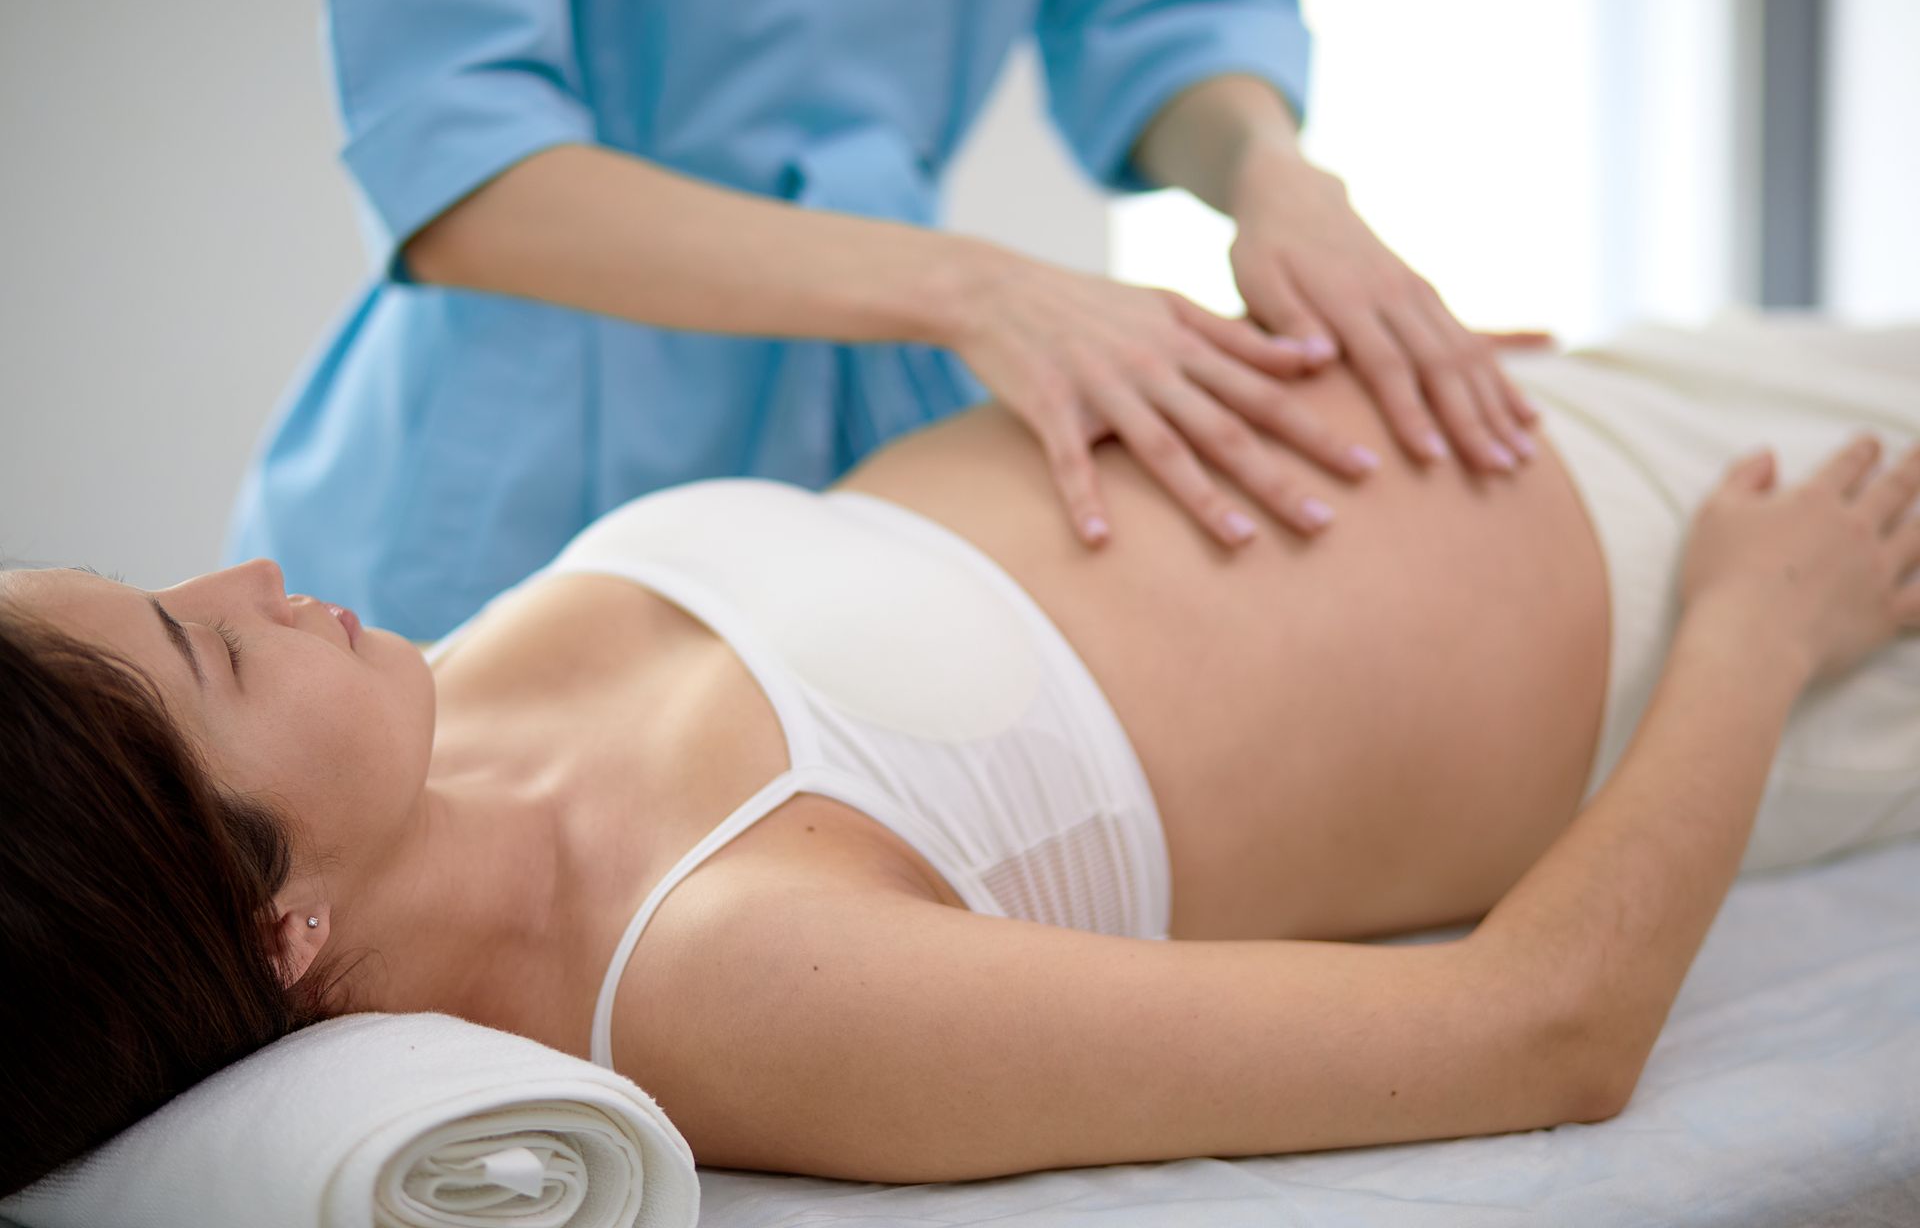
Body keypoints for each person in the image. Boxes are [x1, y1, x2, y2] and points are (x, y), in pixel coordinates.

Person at [5, 315, 1916, 1196]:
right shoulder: (735, 970)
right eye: (203, 649)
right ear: (276, 933)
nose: (244, 576)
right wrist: (1762, 626)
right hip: (1759, 587)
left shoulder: (437, 726)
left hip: (1555, 412)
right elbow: (1540, 1033)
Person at [223, 0, 1545, 642]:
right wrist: (976, 289)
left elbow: (1170, 2)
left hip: (880, 431)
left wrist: (1274, 176)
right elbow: (462, 165)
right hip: (520, 462)